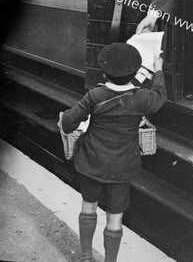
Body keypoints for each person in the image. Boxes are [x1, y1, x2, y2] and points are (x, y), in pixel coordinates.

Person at [60, 43, 167, 262]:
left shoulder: (95, 94)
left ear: (104, 71)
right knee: (114, 218)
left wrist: (66, 121)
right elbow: (160, 95)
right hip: (122, 167)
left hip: (92, 163)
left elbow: (69, 122)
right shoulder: (142, 98)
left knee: (88, 208)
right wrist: (158, 70)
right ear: (136, 72)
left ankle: (86, 257)